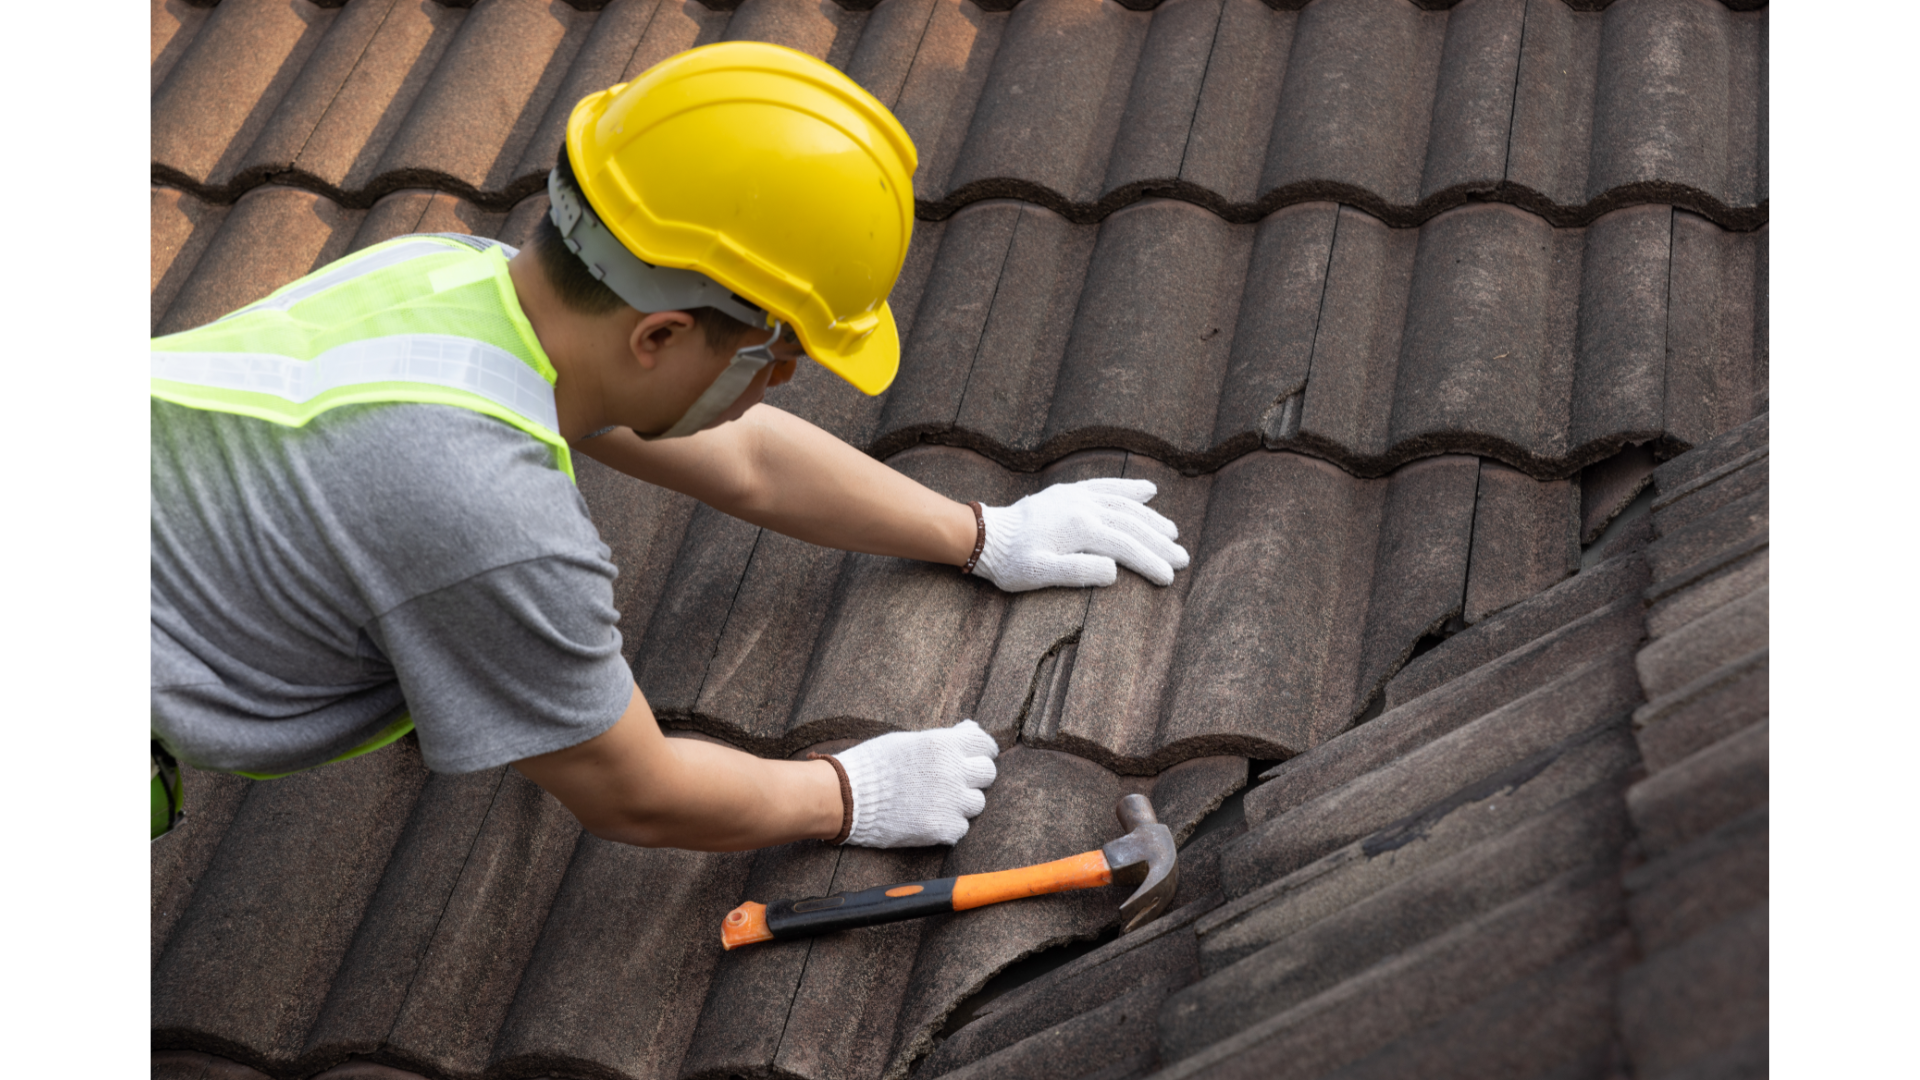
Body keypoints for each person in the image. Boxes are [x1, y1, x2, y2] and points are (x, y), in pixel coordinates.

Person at [149, 42, 1189, 849]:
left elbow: (746, 459)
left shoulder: (451, 276)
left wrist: (983, 533)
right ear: (659, 334)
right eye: (778, 356)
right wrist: (845, 793)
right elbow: (631, 790)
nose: (779, 383)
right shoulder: (485, 516)